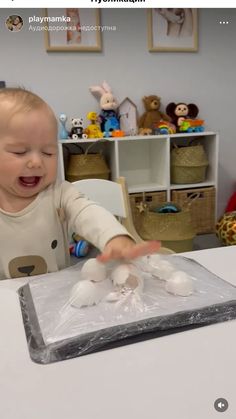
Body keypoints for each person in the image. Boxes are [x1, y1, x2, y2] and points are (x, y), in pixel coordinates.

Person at [0, 88, 160, 280]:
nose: (36, 162)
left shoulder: (60, 193)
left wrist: (114, 236)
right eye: (19, 151)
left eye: (48, 153)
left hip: (51, 293)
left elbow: (88, 213)